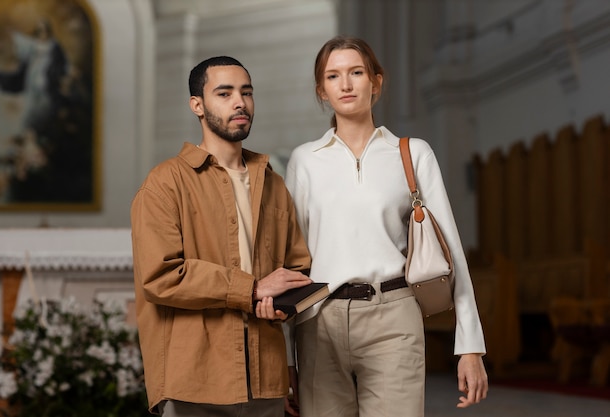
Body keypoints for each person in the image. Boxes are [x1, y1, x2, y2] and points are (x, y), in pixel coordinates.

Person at [284, 36, 488, 417]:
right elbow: (292, 264)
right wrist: (286, 358)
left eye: (356, 73)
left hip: (394, 316)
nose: (345, 84)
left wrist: (470, 345)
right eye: (333, 76)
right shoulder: (304, 161)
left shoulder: (412, 153)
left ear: (376, 83)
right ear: (322, 91)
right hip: (318, 322)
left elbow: (452, 252)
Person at [131, 56, 312, 417]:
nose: (239, 102)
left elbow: (296, 269)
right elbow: (160, 276)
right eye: (224, 93)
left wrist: (281, 305)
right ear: (197, 105)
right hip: (196, 380)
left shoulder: (274, 183)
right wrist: (253, 288)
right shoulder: (165, 182)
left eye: (246, 92)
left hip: (266, 380)